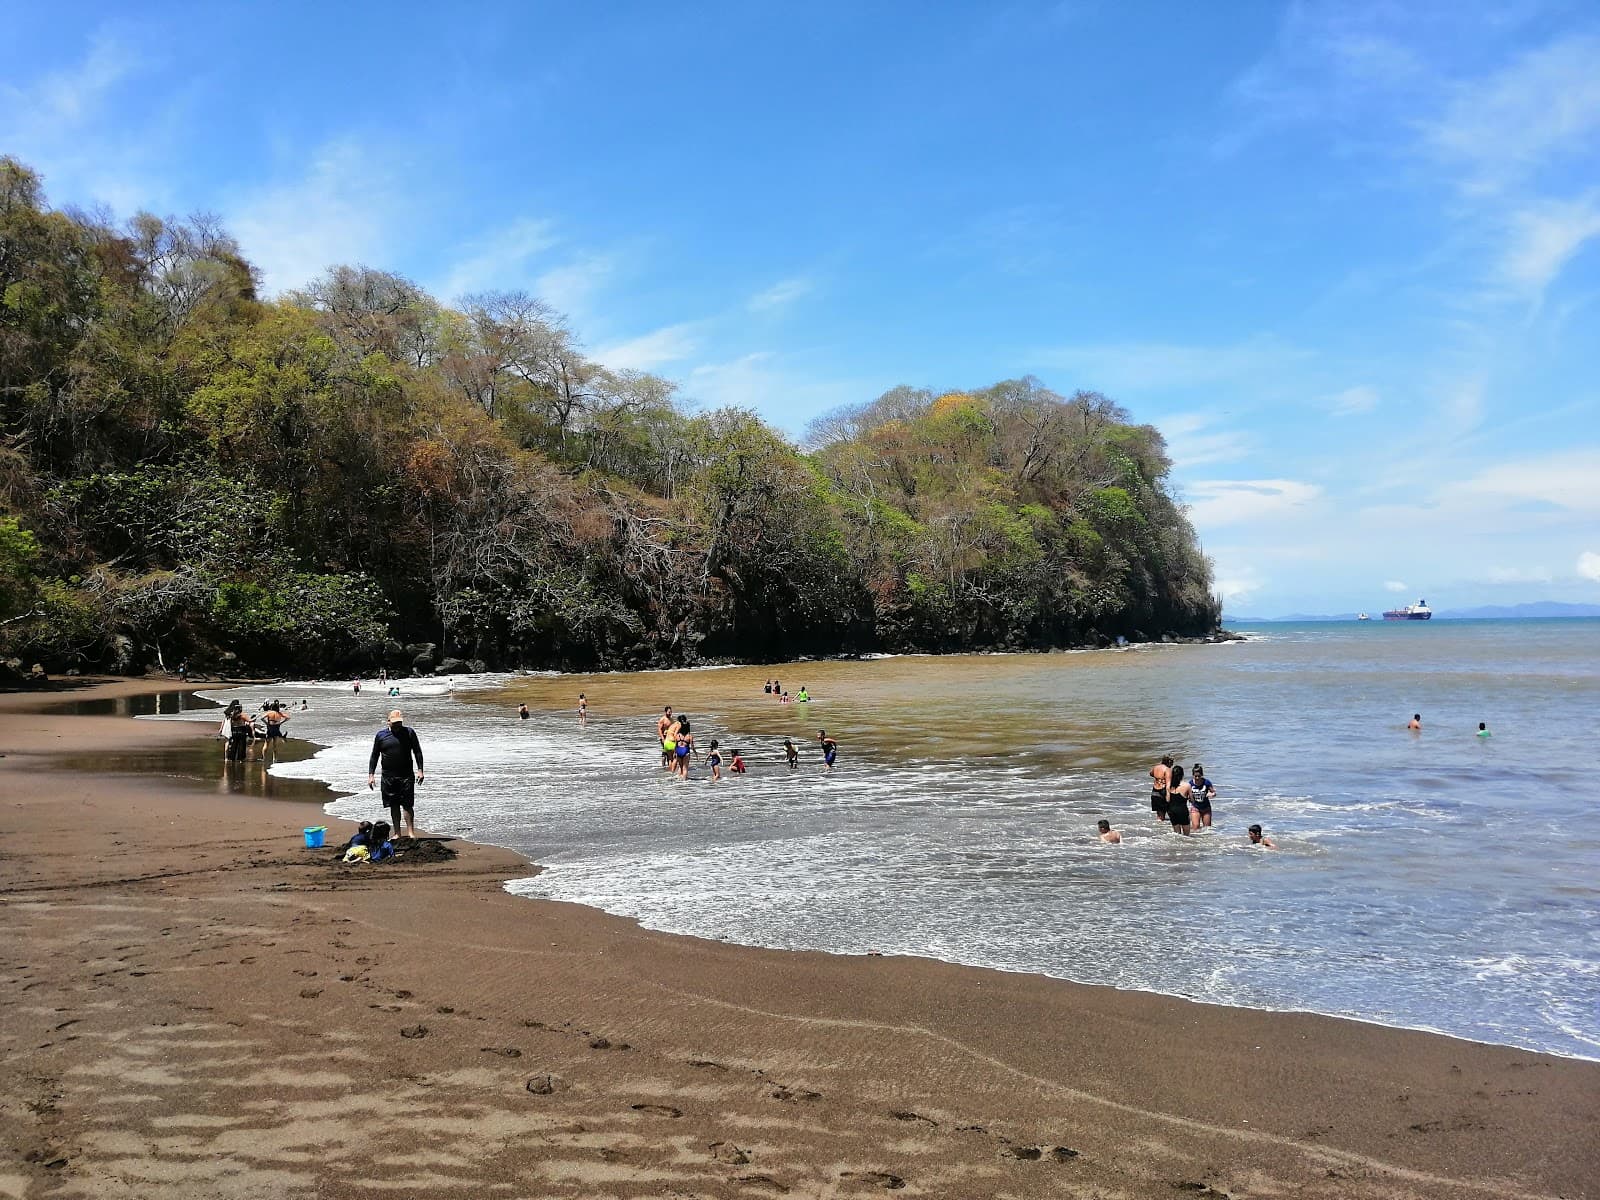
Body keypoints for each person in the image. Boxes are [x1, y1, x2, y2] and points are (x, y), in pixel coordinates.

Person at [368, 709, 425, 839]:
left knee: (407, 804)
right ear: (388, 722)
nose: (397, 725)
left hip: (406, 775)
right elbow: (374, 756)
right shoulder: (381, 736)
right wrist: (371, 775)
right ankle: (397, 833)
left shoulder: (409, 733)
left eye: (399, 722)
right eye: (394, 723)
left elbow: (417, 751)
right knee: (393, 805)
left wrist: (420, 770)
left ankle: (411, 833)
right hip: (388, 776)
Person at [1167, 764, 1192, 835]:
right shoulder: (1187, 785)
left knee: (1177, 834)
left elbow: (1168, 799)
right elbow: (1192, 800)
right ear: (1182, 775)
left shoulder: (1169, 785)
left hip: (1171, 810)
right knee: (1186, 835)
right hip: (1182, 810)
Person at [1190, 762, 1215, 829]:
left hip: (1206, 808)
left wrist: (1211, 794)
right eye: (1195, 776)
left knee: (1207, 829)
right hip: (1195, 807)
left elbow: (1214, 793)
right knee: (1195, 827)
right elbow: (1187, 795)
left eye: (1199, 776)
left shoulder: (1206, 782)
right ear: (1193, 775)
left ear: (1202, 775)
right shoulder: (1190, 784)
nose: (1197, 778)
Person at [1149, 755, 1172, 823]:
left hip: (1155, 791)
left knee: (1159, 817)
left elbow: (1151, 774)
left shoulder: (1156, 767)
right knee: (1172, 813)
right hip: (1163, 791)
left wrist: (1158, 778)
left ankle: (1159, 828)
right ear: (1169, 762)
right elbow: (1168, 785)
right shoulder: (1167, 770)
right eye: (1172, 763)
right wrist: (1168, 796)